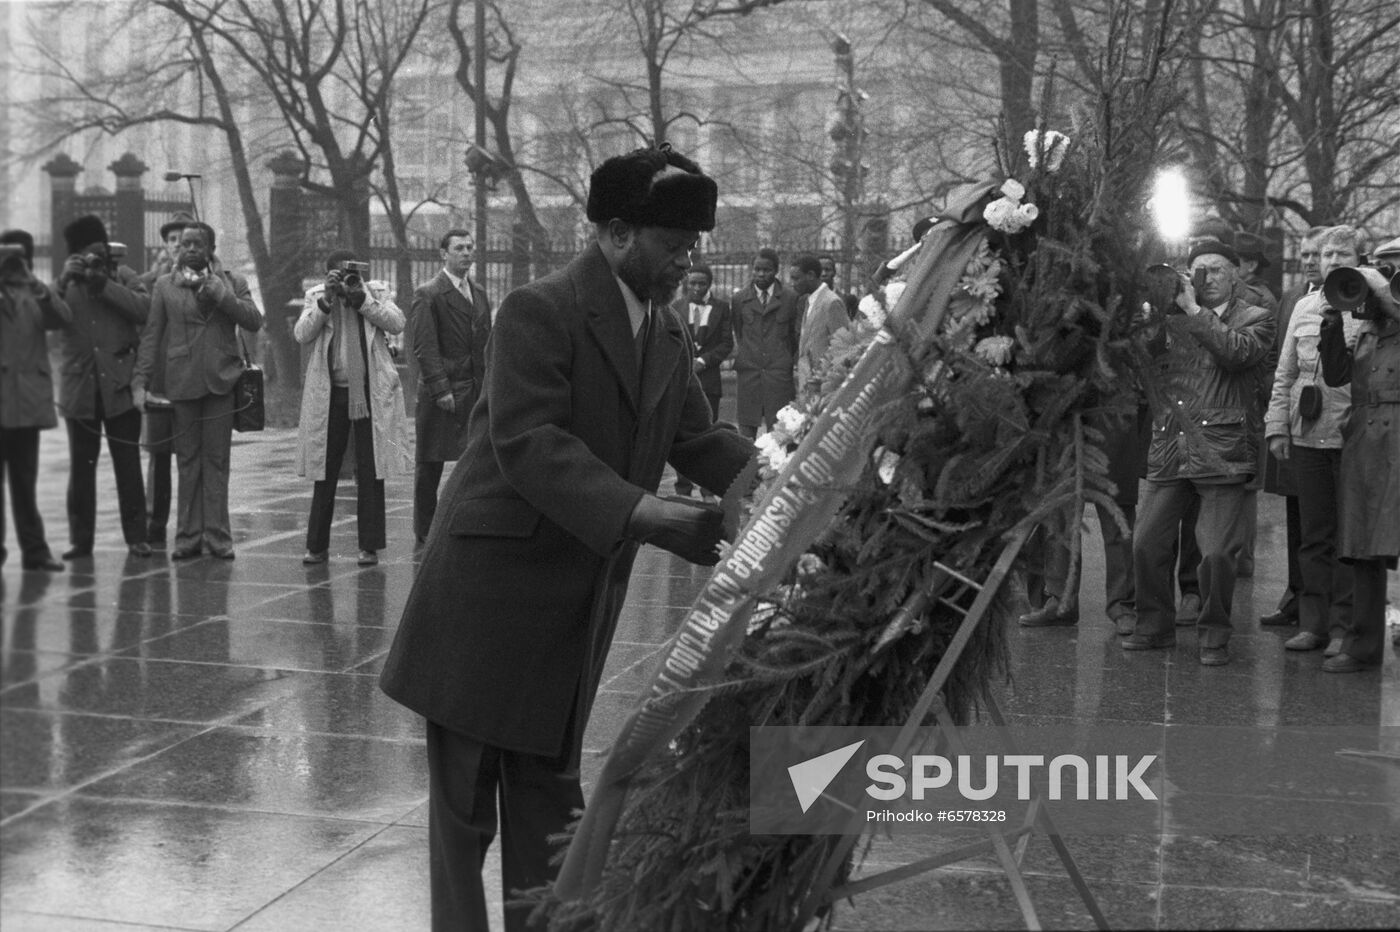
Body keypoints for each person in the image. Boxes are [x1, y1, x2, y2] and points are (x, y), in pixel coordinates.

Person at [378, 144, 753, 932]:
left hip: (575, 599)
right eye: (673, 244)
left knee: (550, 807)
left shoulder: (668, 334)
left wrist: (787, 480)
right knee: (465, 815)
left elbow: (699, 438)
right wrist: (647, 516)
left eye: (692, 247)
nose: (687, 261)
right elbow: (529, 441)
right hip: (490, 597)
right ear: (616, 233)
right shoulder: (537, 310)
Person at [1123, 239, 1274, 666]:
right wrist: (1151, 314)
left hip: (1222, 449)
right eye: (1198, 270)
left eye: (1217, 270)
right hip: (1171, 444)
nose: (1206, 279)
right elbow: (1140, 366)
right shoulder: (1172, 319)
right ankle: (1154, 626)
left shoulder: (1257, 318)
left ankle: (1213, 635)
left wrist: (1193, 311)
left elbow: (1235, 353)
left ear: (1235, 275)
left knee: (1215, 554)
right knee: (1146, 543)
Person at [132, 222, 263, 560]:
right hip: (182, 383)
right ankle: (188, 537)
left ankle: (219, 537)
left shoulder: (231, 282)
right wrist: (140, 382)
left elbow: (253, 320)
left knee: (217, 462)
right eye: (185, 243)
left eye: (197, 244)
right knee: (188, 461)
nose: (189, 249)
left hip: (221, 382)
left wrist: (223, 296)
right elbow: (151, 337)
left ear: (210, 249)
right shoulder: (165, 286)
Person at [1265, 225, 1364, 660]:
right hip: (1306, 434)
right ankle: (1312, 624)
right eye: (1326, 255)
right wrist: (1276, 428)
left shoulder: (1371, 308)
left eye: (1342, 253)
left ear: (1357, 260)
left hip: (1351, 437)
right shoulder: (1304, 307)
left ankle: (1344, 627)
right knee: (1313, 536)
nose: (1332, 261)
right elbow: (1285, 374)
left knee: (1347, 539)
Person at [1316, 233, 1399, 673]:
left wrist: (1385, 294)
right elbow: (1335, 377)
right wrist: (1333, 320)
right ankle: (1361, 643)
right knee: (1363, 544)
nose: (1385, 275)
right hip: (1365, 439)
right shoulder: (1368, 326)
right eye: (1382, 266)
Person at [296, 251, 411, 566]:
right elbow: (302, 334)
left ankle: (369, 547)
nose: (346, 281)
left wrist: (362, 299)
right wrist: (327, 301)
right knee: (326, 470)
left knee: (370, 469)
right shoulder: (318, 296)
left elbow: (398, 322)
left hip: (370, 394)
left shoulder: (374, 292)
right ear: (328, 276)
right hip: (330, 395)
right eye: (339, 275)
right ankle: (316, 546)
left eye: (350, 275)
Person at [52, 214, 152, 559]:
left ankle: (137, 537)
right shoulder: (65, 284)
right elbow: (45, 319)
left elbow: (144, 310)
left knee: (127, 464)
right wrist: (65, 279)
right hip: (80, 389)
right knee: (82, 467)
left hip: (119, 386)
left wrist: (104, 284)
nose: (92, 259)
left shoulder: (123, 276)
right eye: (84, 254)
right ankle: (81, 541)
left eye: (97, 252)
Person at [1259, 227, 1327, 626]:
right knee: (1296, 512)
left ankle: (1322, 603)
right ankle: (1295, 593)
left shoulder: (1353, 297)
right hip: (1294, 419)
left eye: (1316, 255)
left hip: (1331, 425)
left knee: (1324, 520)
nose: (1309, 262)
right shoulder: (1292, 298)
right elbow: (1277, 362)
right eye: (1304, 255)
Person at [409, 228, 493, 544]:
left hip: (474, 389)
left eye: (470, 247)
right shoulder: (428, 293)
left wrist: (489, 386)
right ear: (443, 254)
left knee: (475, 462)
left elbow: (486, 344)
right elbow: (425, 347)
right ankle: (425, 529)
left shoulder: (480, 293)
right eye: (459, 248)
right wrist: (440, 388)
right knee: (430, 463)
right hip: (442, 393)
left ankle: (467, 519)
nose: (467, 253)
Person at [0, 230, 71, 572]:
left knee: (25, 483)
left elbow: (61, 319)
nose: (15, 261)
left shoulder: (35, 290)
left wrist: (37, 285)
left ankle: (35, 552)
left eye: (20, 255)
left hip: (26, 402)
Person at [137, 211, 197, 548]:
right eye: (173, 240)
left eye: (185, 240)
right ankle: (154, 523)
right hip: (160, 379)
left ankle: (189, 527)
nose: (178, 246)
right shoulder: (151, 282)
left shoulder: (207, 277)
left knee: (191, 456)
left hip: (192, 378)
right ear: (166, 245)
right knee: (159, 454)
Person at [669, 262, 733, 498]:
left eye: (702, 283)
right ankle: (683, 490)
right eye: (693, 283)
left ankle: (708, 489)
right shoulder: (676, 306)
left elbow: (727, 343)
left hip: (710, 381)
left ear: (709, 284)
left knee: (710, 435)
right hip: (684, 382)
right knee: (683, 436)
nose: (697, 288)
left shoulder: (722, 308)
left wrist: (704, 361)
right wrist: (687, 363)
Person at [731, 247, 800, 438]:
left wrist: (782, 359)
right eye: (757, 269)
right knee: (745, 432)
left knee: (780, 431)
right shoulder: (739, 300)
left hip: (778, 375)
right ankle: (746, 468)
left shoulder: (790, 298)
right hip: (749, 373)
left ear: (776, 270)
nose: (761, 274)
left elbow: (793, 337)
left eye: (766, 270)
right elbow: (739, 332)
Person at [792, 253, 850, 394]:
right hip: (808, 383)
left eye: (796, 278)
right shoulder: (809, 301)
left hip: (824, 385)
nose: (793, 283)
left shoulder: (831, 302)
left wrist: (826, 379)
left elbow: (843, 346)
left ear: (811, 275)